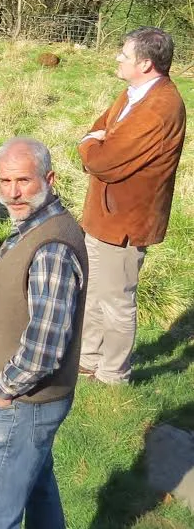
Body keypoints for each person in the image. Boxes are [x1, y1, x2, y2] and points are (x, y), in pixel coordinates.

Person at [0, 137, 88, 529]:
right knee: (37, 487)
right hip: (30, 401)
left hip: (26, 401)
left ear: (49, 179)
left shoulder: (51, 246)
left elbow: (44, 348)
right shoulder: (34, 226)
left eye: (23, 180)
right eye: (5, 181)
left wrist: (4, 389)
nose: (12, 192)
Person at [77, 27, 186, 385]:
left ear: (145, 63)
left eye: (124, 55)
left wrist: (89, 144)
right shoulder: (134, 93)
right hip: (103, 216)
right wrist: (98, 139)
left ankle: (113, 374)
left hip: (126, 222)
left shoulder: (159, 108)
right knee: (94, 291)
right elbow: (101, 127)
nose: (117, 58)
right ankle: (88, 359)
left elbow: (104, 160)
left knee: (117, 301)